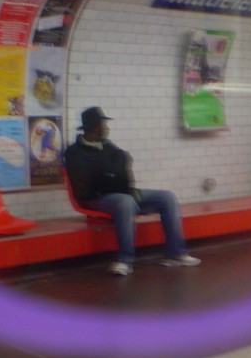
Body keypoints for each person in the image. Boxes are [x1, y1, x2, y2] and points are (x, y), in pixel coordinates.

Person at [64, 106, 200, 276]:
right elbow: (87, 183)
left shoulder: (108, 146)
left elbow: (123, 162)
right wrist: (110, 174)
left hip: (123, 192)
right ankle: (125, 260)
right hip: (95, 198)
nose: (107, 128)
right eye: (103, 124)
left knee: (167, 197)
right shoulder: (74, 152)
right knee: (126, 202)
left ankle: (176, 253)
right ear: (94, 127)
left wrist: (113, 175)